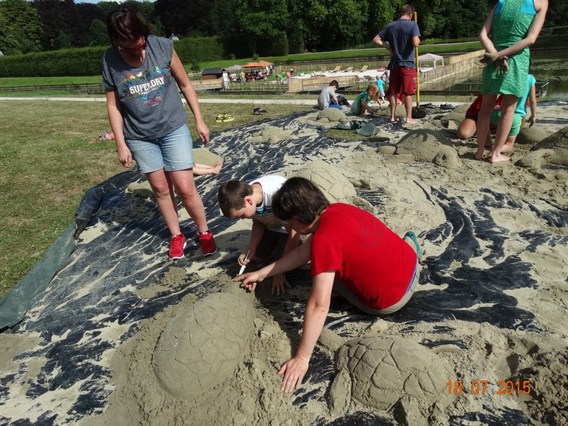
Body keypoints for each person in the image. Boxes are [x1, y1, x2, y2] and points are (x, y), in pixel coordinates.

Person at [235, 177, 420, 393]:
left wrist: (302, 358)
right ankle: (413, 245)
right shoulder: (337, 209)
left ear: (297, 217)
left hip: (390, 300)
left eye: (289, 223)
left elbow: (319, 305)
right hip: (412, 265)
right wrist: (261, 273)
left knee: (325, 273)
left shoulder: (325, 240)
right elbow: (303, 253)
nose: (289, 228)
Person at [102, 8, 217, 259]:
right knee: (161, 189)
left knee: (185, 188)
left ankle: (204, 232)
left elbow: (185, 83)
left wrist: (200, 120)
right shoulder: (110, 60)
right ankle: (177, 236)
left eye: (139, 40)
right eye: (128, 43)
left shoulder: (162, 46)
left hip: (172, 128)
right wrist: (121, 143)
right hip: (140, 136)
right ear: (116, 39)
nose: (137, 47)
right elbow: (113, 105)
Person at [475, 0, 548, 162]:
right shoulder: (541, 2)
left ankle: (479, 151)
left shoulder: (502, 1)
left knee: (485, 109)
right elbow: (530, 39)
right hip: (515, 59)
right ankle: (495, 154)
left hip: (492, 58)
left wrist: (495, 55)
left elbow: (482, 35)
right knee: (508, 109)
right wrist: (500, 56)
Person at [218, 176, 301, 295]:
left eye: (241, 215)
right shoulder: (246, 196)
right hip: (271, 226)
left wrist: (280, 271)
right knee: (256, 258)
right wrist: (252, 247)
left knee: (290, 268)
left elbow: (294, 234)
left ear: (248, 201)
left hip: (290, 228)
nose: (241, 219)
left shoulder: (276, 196)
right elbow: (258, 221)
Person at [372, 4, 421, 123]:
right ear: (410, 15)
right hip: (407, 64)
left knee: (393, 91)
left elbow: (376, 39)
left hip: (394, 64)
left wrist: (388, 47)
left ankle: (392, 116)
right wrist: (418, 38)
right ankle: (408, 117)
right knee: (408, 92)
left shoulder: (391, 26)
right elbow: (415, 43)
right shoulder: (413, 25)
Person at [480, 73, 537, 155]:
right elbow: (532, 100)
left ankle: (488, 141)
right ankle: (496, 149)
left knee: (486, 120)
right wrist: (533, 115)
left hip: (499, 113)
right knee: (509, 145)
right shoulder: (530, 79)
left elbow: (496, 94)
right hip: (516, 116)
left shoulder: (508, 75)